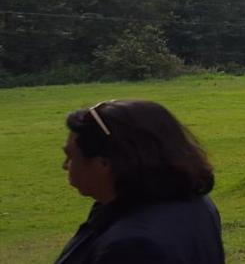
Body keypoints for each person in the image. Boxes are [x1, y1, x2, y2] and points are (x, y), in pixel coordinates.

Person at [55, 100, 224, 264]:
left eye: (70, 157)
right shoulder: (194, 201)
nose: (65, 166)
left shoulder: (132, 247)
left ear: (104, 164)